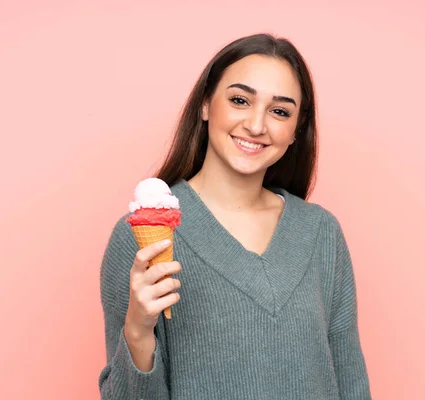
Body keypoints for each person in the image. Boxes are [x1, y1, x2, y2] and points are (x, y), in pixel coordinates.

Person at [98, 33, 372, 399]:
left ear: (296, 129)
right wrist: (136, 331)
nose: (256, 125)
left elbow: (351, 384)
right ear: (206, 104)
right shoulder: (140, 237)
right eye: (240, 100)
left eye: (280, 111)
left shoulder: (321, 233)